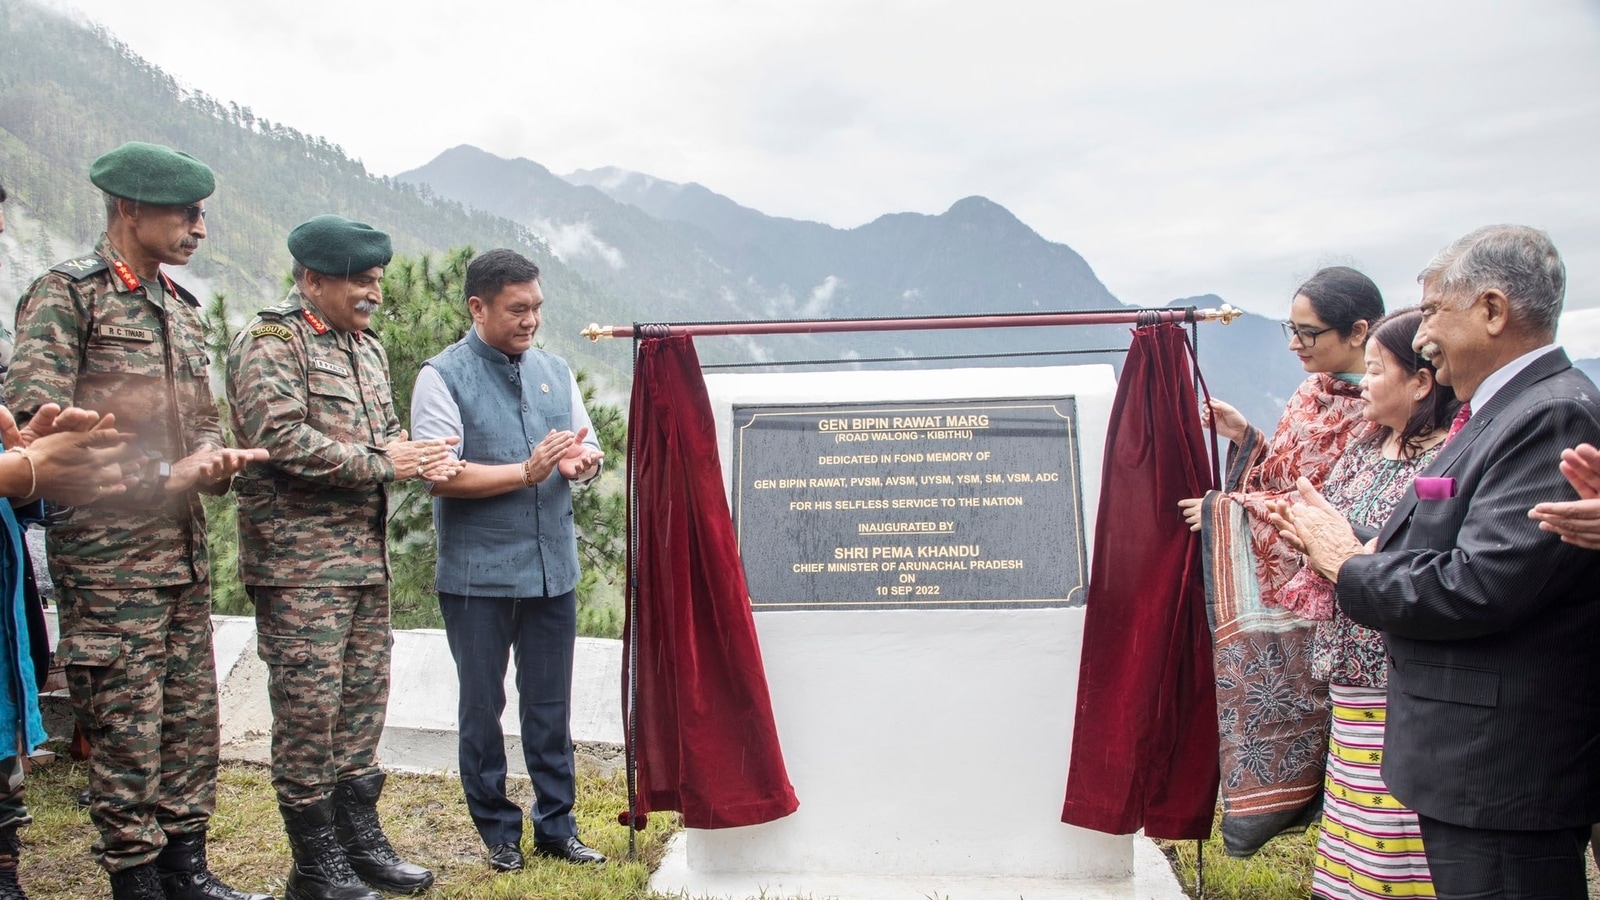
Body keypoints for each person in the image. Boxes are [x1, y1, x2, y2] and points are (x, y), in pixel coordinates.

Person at [1274, 225, 1600, 899]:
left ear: (1491, 311)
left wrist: (1349, 565)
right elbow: (1451, 542)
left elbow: (1481, 585)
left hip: (1500, 764)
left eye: (1434, 314)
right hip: (1466, 759)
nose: (1422, 336)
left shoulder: (1548, 415)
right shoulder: (1497, 412)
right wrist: (1346, 535)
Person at [3, 143, 268, 900]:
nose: (200, 229)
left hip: (182, 558)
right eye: (186, 213)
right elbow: (38, 435)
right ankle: (136, 879)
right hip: (111, 563)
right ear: (129, 209)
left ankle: (187, 869)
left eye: (201, 215)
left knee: (190, 722)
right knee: (126, 730)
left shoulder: (179, 310)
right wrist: (159, 473)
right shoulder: (68, 296)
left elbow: (203, 420)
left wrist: (212, 460)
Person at [226, 215, 462, 900]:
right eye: (359, 280)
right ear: (312, 280)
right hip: (298, 567)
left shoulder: (366, 350)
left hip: (362, 562)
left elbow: (386, 433)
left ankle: (359, 843)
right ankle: (313, 864)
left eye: (378, 281)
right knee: (308, 712)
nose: (372, 293)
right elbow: (281, 439)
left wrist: (419, 457)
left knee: (360, 706)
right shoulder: (274, 342)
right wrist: (383, 460)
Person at [409, 249, 605, 872]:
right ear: (478, 307)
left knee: (550, 707)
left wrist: (583, 462)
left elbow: (583, 442)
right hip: (478, 579)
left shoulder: (554, 370)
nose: (531, 320)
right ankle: (498, 832)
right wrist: (525, 472)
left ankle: (558, 825)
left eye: (537, 307)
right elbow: (440, 475)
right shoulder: (440, 377)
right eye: (517, 309)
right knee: (481, 707)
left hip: (553, 573)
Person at [1177, 266, 1383, 855]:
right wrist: (1247, 438)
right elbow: (1291, 476)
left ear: (1358, 331)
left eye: (1307, 332)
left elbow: (1330, 507)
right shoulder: (1310, 392)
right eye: (1290, 330)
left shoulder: (1382, 406)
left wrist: (1228, 510)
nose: (1294, 344)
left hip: (1341, 588)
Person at [1273, 309, 1455, 899]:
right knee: (1354, 821)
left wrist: (1348, 548)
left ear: (1420, 381)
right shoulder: (1366, 447)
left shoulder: (1449, 458)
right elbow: (1330, 526)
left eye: (1376, 370)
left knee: (1399, 830)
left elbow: (1429, 552)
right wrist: (1308, 532)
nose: (1366, 384)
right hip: (1350, 664)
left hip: (1400, 671)